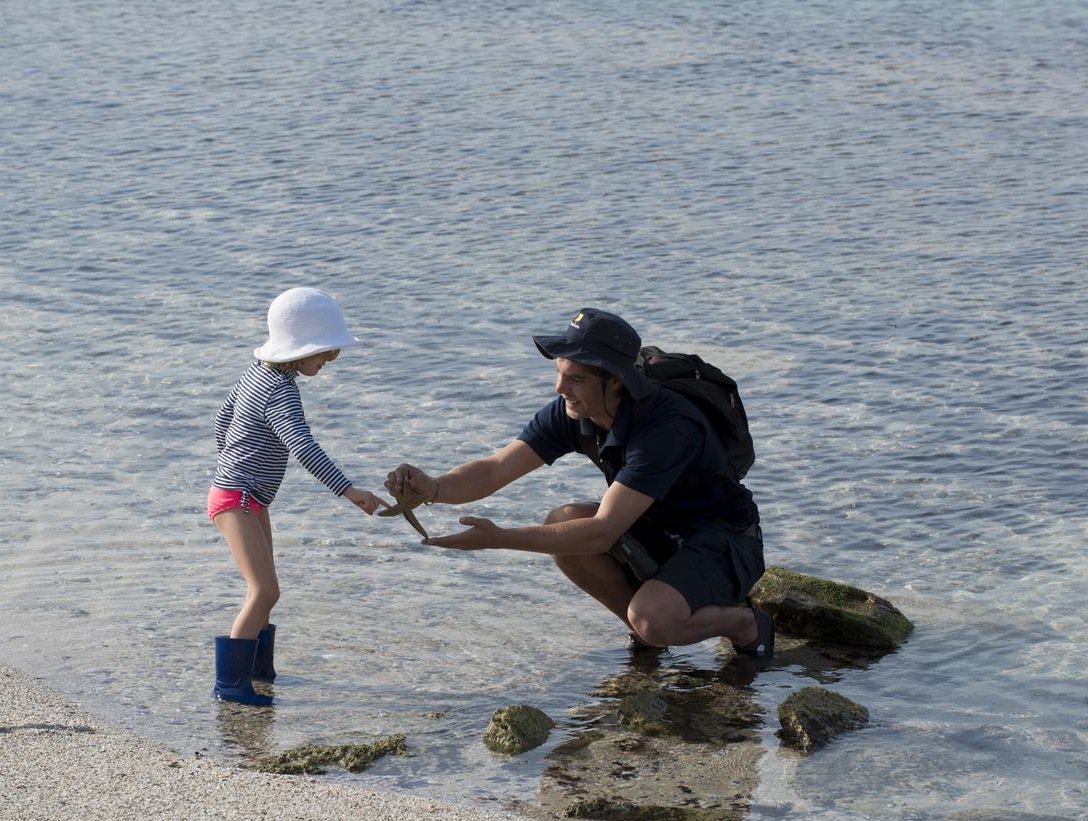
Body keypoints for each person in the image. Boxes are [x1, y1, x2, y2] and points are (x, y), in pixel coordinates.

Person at [384, 308, 772, 660]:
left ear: (617, 381)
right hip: (652, 528)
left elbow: (601, 533)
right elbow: (495, 468)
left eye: (576, 378)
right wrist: (432, 487)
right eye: (559, 373)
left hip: (723, 539)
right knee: (563, 520)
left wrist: (499, 538)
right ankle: (647, 633)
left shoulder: (669, 427)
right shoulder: (576, 409)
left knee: (651, 616)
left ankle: (743, 623)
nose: (560, 389)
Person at [208, 287, 389, 705]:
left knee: (267, 587)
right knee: (264, 591)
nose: (329, 361)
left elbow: (223, 419)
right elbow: (302, 446)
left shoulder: (256, 372)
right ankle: (230, 686)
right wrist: (350, 491)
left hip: (245, 493)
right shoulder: (281, 390)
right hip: (238, 497)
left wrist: (232, 461)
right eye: (326, 353)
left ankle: (259, 671)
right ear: (300, 349)